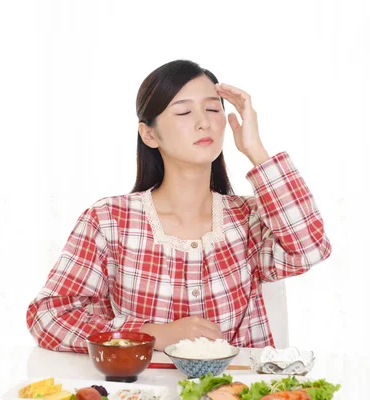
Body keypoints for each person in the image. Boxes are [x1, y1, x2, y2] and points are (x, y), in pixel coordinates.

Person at [26, 60, 332, 353]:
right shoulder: (109, 220)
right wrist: (152, 334)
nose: (204, 122)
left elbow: (310, 248)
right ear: (149, 134)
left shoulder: (248, 218)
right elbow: (48, 317)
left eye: (213, 109)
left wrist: (255, 150)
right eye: (184, 112)